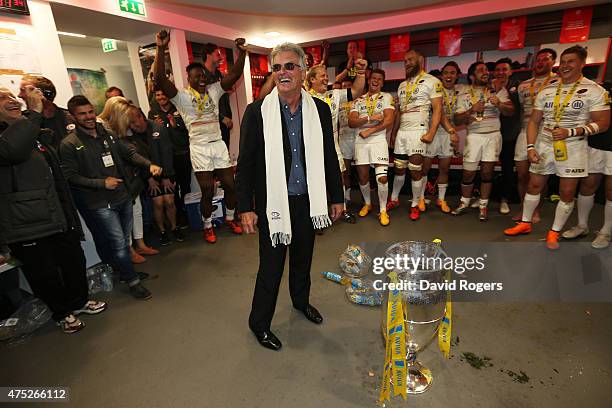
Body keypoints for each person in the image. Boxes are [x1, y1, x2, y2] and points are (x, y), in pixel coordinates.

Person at [236, 42, 343, 351]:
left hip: (309, 201)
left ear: (303, 70)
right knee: (270, 268)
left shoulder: (319, 110)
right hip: (274, 206)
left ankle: (301, 302)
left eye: (289, 66)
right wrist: (245, 207)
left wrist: (336, 197)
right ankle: (259, 324)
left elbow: (328, 157)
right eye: (277, 67)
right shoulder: (258, 112)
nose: (283, 73)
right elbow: (246, 164)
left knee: (302, 259)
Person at [0, 86, 107, 333]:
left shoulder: (28, 132)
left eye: (13, 96)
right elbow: (13, 150)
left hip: (55, 214)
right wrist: (34, 113)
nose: (13, 100)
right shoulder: (14, 137)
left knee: (73, 260)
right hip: (25, 223)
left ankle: (78, 302)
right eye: (3, 98)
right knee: (44, 274)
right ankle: (62, 313)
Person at [504, 46, 610, 249]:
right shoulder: (548, 89)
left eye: (571, 61)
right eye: (563, 61)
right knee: (534, 185)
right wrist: (531, 147)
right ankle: (525, 223)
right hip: (545, 144)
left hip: (574, 147)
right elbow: (534, 121)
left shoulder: (594, 90)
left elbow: (603, 123)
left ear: (582, 64)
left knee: (567, 192)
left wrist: (571, 132)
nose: (565, 66)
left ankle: (554, 231)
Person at [60, 95, 160, 299]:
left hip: (122, 197)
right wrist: (101, 183)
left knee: (124, 240)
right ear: (72, 116)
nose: (88, 117)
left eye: (90, 112)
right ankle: (132, 281)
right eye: (82, 114)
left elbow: (129, 153)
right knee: (119, 243)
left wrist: (148, 164)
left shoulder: (108, 135)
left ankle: (125, 271)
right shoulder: (69, 144)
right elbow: (70, 176)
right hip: (99, 203)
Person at [153, 30, 246, 244]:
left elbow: (234, 75)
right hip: (199, 147)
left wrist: (241, 53)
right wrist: (160, 47)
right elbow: (159, 78)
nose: (202, 79)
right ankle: (207, 225)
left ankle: (231, 218)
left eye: (203, 76)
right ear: (189, 79)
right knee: (207, 189)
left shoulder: (213, 90)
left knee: (231, 185)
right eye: (197, 77)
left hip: (217, 144)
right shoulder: (181, 97)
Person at [386, 50, 446, 221]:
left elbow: (438, 110)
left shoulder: (433, 81)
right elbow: (399, 112)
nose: (407, 63)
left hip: (418, 131)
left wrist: (431, 132)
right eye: (405, 61)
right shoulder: (402, 85)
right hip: (402, 132)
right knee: (398, 168)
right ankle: (395, 199)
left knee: (415, 170)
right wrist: (394, 133)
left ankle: (414, 204)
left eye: (411, 60)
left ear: (420, 60)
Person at [452, 61, 515, 221]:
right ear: (472, 76)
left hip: (493, 135)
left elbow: (510, 111)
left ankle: (483, 205)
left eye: (486, 69)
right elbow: (457, 120)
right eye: (480, 70)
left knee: (487, 172)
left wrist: (499, 104)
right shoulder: (464, 93)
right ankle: (464, 202)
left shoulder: (497, 90)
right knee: (468, 173)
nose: (485, 72)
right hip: (474, 136)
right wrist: (471, 110)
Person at [98, 97, 158, 262]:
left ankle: (140, 244)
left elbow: (131, 151)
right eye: (127, 119)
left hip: (131, 177)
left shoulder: (117, 129)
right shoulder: (101, 128)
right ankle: (129, 250)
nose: (130, 123)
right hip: (113, 180)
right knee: (123, 216)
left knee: (136, 211)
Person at [305, 61, 366, 223]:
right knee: (316, 181)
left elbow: (356, 90)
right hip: (311, 146)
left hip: (332, 144)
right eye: (322, 76)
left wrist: (360, 73)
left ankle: (343, 208)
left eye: (327, 76)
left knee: (338, 177)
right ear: (311, 80)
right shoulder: (304, 97)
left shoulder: (334, 94)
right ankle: (319, 215)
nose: (326, 78)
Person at [562, 82, 612, 249]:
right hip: (595, 143)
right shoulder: (601, 88)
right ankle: (582, 226)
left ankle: (606, 231)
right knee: (587, 185)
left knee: (611, 190)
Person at [129, 106, 184, 246]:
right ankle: (162, 231)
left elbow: (167, 154)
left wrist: (166, 176)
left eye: (135, 122)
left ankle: (174, 227)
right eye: (131, 124)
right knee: (158, 203)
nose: (134, 126)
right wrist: (149, 178)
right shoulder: (130, 136)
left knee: (169, 201)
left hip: (166, 171)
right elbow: (137, 159)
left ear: (142, 117)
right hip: (148, 175)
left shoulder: (158, 129)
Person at [514, 48, 558, 223]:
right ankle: (523, 208)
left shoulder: (559, 82)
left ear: (553, 62)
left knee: (540, 175)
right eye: (538, 60)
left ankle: (536, 210)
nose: (540, 62)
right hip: (525, 132)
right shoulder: (523, 85)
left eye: (545, 59)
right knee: (522, 175)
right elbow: (519, 110)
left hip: (546, 133)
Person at [348, 69, 395, 226]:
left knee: (381, 178)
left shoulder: (387, 97)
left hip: (378, 139)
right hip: (360, 140)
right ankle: (367, 203)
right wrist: (369, 118)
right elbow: (351, 122)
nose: (376, 81)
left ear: (382, 82)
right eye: (373, 78)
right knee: (363, 177)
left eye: (380, 79)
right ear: (368, 80)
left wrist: (370, 130)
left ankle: (382, 210)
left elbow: (388, 121)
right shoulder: (358, 100)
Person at [421, 61, 463, 213]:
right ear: (441, 75)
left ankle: (441, 198)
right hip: (432, 131)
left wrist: (451, 132)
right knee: (424, 168)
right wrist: (452, 131)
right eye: (446, 73)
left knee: (444, 168)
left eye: (452, 73)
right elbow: (440, 113)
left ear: (457, 76)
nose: (449, 76)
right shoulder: (435, 90)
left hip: (447, 134)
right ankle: (420, 197)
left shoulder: (460, 92)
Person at [149, 89, 191, 228]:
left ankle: (186, 215)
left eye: (163, 94)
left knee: (185, 187)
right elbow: (152, 135)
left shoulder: (179, 108)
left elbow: (190, 128)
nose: (161, 97)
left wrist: (176, 125)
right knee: (172, 189)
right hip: (166, 159)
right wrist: (156, 126)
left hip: (182, 154)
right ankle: (177, 217)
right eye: (158, 95)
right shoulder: (152, 113)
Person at [494, 57, 522, 215]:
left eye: (504, 69)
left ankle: (505, 199)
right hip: (491, 134)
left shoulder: (518, 87)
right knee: (487, 166)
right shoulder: (490, 86)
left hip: (510, 133)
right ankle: (483, 197)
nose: (500, 73)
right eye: (497, 70)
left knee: (507, 168)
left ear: (510, 71)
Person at [18, 74, 74, 148]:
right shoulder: (22, 121)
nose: (19, 95)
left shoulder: (70, 117)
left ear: (44, 93)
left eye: (23, 90)